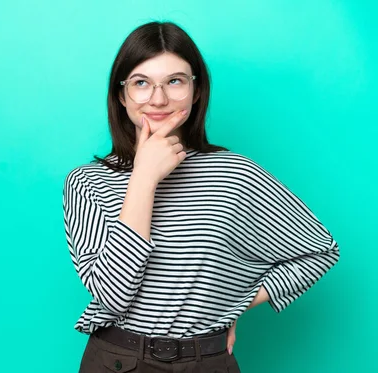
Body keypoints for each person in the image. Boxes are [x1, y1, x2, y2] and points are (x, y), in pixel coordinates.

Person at [62, 21, 340, 373]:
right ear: (122, 95)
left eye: (175, 81)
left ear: (196, 91)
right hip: (118, 360)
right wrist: (144, 178)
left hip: (206, 362)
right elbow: (114, 296)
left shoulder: (235, 174)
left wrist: (234, 304)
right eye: (141, 83)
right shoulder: (87, 182)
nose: (158, 98)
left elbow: (320, 250)